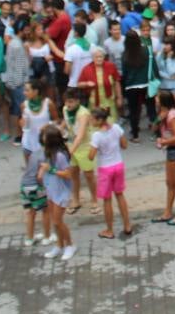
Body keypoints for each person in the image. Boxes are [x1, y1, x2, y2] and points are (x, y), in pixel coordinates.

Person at [88, 107, 133, 240]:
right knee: (120, 195)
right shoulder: (116, 128)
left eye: (92, 118)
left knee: (107, 200)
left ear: (99, 120)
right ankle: (127, 225)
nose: (90, 120)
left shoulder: (96, 136)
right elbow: (125, 145)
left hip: (105, 169)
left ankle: (109, 229)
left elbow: (91, 156)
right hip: (118, 165)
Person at [37, 124, 77, 261]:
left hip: (61, 191)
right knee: (55, 221)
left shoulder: (60, 156)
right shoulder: (47, 152)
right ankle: (59, 245)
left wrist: (50, 170)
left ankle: (70, 245)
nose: (42, 137)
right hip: (51, 190)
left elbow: (67, 174)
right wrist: (42, 173)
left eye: (44, 135)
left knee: (58, 221)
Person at [154, 92, 175, 225]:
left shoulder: (172, 115)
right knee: (170, 183)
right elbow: (154, 127)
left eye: (157, 98)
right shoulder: (164, 114)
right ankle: (167, 212)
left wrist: (163, 142)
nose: (155, 100)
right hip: (171, 151)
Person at [60, 91, 97, 214]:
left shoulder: (83, 113)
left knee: (89, 175)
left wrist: (70, 151)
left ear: (78, 101)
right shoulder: (65, 109)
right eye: (66, 101)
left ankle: (95, 200)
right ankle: (76, 200)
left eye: (71, 101)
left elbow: (80, 135)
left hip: (84, 146)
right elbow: (65, 122)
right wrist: (59, 130)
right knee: (73, 174)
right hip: (71, 144)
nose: (68, 104)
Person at [20, 147, 53, 248]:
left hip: (25, 184)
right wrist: (43, 187)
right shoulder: (46, 156)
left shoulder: (35, 153)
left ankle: (30, 238)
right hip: (36, 185)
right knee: (46, 210)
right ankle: (47, 237)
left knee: (31, 212)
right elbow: (40, 176)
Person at [77, 46, 121, 119]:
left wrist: (119, 98)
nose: (99, 59)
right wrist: (87, 83)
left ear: (104, 57)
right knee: (97, 122)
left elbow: (117, 82)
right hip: (94, 103)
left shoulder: (111, 66)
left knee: (110, 121)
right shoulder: (86, 69)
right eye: (96, 57)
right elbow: (79, 84)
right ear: (92, 58)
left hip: (109, 102)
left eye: (101, 56)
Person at [20, 78, 53, 161]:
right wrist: (22, 122)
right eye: (24, 90)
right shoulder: (24, 105)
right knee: (31, 170)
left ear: (36, 91)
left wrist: (48, 125)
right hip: (28, 141)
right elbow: (22, 124)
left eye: (27, 90)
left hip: (45, 141)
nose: (24, 93)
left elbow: (56, 120)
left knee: (46, 169)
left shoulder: (48, 103)